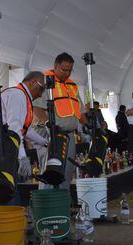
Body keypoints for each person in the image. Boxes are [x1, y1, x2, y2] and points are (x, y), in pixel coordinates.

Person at [0, 71, 49, 178]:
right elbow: (14, 130)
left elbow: (26, 130)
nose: (41, 94)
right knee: (4, 184)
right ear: (32, 82)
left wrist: (45, 142)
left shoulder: (21, 95)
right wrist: (22, 157)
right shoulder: (18, 95)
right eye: (42, 89)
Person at [33, 52, 88, 189]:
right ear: (55, 66)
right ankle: (46, 206)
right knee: (50, 171)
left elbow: (79, 112)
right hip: (49, 133)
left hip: (68, 135)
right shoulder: (45, 82)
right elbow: (36, 107)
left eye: (70, 70)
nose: (67, 73)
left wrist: (91, 127)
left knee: (66, 173)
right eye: (64, 70)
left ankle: (62, 205)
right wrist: (48, 124)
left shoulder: (72, 86)